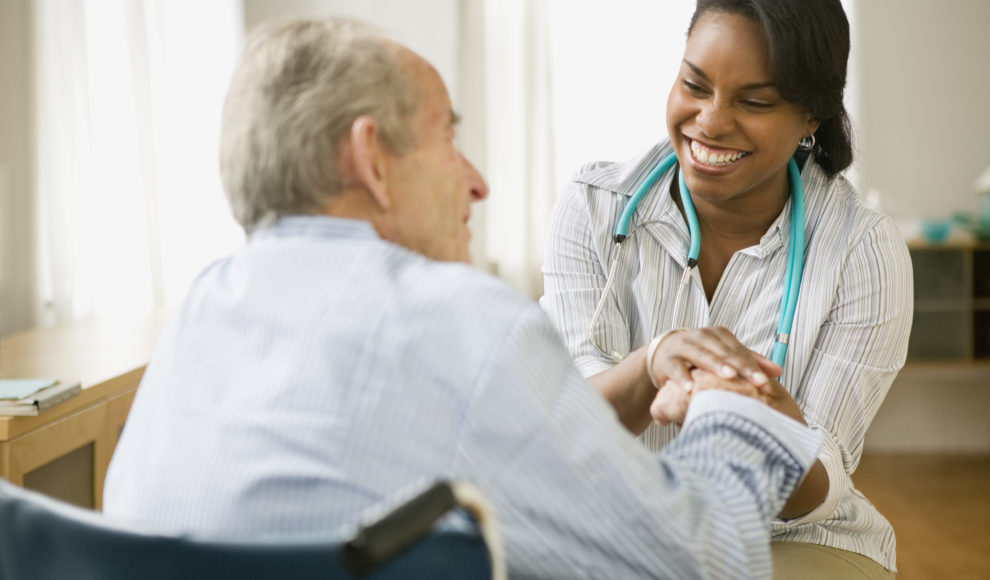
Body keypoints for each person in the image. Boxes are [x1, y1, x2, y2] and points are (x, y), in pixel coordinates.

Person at [103, 16, 824, 579]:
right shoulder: (463, 322)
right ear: (370, 160)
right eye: (447, 137)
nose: (476, 181)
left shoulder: (204, 309)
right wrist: (735, 405)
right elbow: (707, 562)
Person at [541, 0, 912, 578]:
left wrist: (760, 419)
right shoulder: (595, 206)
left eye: (754, 102)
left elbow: (818, 488)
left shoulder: (861, 250)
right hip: (617, 528)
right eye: (695, 84)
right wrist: (651, 365)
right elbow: (568, 429)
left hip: (789, 537)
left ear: (811, 115)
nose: (710, 122)